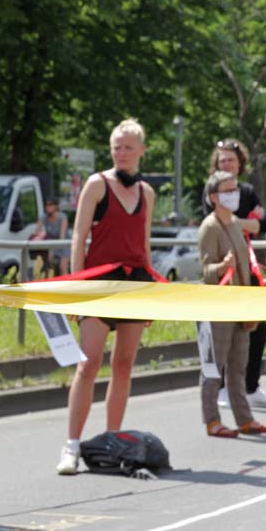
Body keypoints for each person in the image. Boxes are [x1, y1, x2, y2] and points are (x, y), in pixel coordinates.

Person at [57, 119, 156, 475]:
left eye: (129, 147)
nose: (122, 153)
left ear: (141, 150)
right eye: (117, 146)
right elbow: (78, 237)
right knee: (88, 364)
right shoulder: (97, 185)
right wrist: (76, 290)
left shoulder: (147, 192)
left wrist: (152, 291)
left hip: (134, 284)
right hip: (98, 285)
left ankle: (112, 440)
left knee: (124, 364)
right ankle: (71, 445)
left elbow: (143, 244)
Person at [202, 138, 266, 411]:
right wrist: (244, 221)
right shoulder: (211, 190)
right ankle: (223, 388)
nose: (227, 164)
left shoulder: (247, 190)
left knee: (256, 328)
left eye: (231, 160)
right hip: (224, 272)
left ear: (240, 164)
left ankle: (252, 387)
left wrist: (242, 221)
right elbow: (219, 221)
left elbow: (262, 223)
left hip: (248, 267)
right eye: (222, 160)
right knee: (225, 333)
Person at [34, 198, 70, 277]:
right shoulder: (44, 216)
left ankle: (66, 284)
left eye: (50, 205)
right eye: (46, 205)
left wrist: (54, 249)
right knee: (48, 265)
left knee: (62, 267)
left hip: (64, 244)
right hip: (51, 244)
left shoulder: (62, 217)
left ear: (56, 206)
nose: (48, 207)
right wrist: (39, 236)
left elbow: (62, 237)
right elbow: (36, 232)